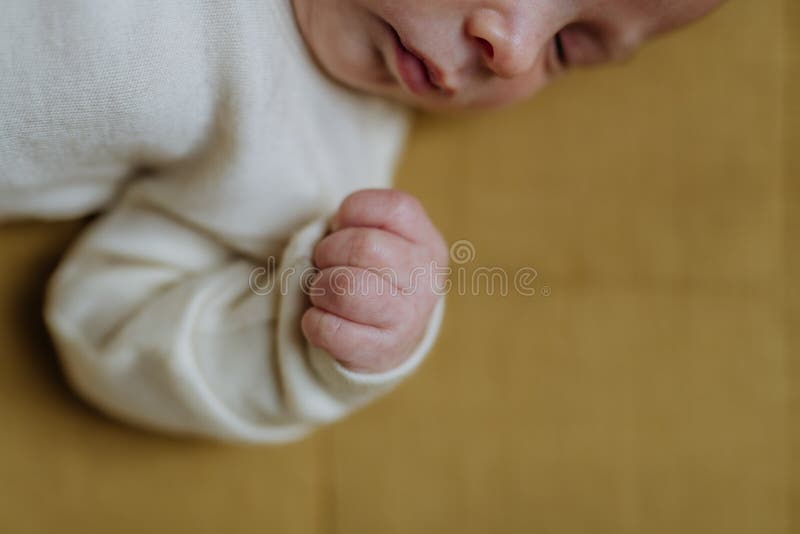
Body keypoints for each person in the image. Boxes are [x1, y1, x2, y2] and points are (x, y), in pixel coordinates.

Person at [0, 0, 724, 442]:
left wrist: (312, 329)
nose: (518, 50)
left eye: (567, 48)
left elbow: (108, 323)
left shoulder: (317, 172)